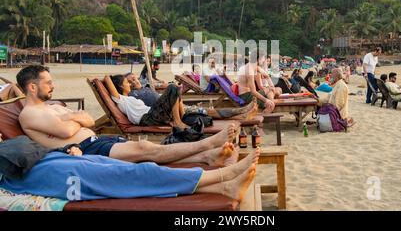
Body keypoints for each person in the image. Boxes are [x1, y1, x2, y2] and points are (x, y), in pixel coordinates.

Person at [16, 65, 238, 166]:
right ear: (32, 88)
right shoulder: (30, 114)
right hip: (85, 149)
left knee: (145, 157)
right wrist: (74, 118)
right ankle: (207, 145)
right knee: (144, 149)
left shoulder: (51, 108)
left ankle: (204, 157)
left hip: (96, 140)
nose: (52, 86)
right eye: (48, 83)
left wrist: (71, 118)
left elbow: (89, 120)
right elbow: (66, 130)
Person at [0, 135, 260, 203]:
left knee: (123, 170)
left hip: (48, 161)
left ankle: (224, 188)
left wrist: (63, 149)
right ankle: (223, 175)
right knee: (138, 173)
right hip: (41, 175)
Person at [123, 73, 258, 121]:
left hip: (175, 105)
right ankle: (240, 112)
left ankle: (241, 112)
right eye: (130, 81)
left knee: (205, 111)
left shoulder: (146, 88)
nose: (134, 81)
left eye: (135, 78)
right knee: (205, 112)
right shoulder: (132, 95)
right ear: (126, 86)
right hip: (168, 110)